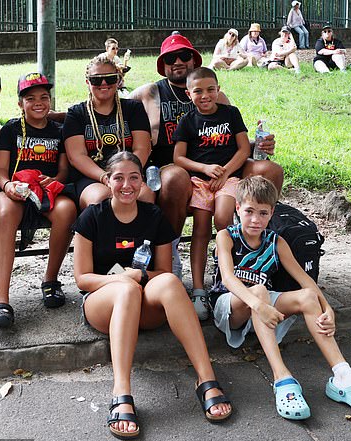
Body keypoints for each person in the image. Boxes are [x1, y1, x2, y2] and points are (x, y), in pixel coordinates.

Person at [73, 151, 232, 440]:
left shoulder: (153, 216)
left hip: (143, 300)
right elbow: (82, 279)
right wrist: (123, 278)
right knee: (125, 288)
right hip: (103, 303)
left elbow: (162, 270)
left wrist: (140, 276)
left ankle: (206, 378)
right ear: (107, 181)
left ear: (143, 182)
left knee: (171, 282)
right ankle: (121, 392)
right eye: (118, 178)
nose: (127, 185)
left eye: (134, 178)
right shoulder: (92, 216)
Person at [211, 176, 351, 420]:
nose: (255, 219)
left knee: (306, 297)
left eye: (263, 213)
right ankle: (281, 377)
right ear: (237, 208)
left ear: (272, 213)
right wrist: (257, 304)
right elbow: (229, 279)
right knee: (260, 291)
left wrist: (328, 308)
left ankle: (344, 377)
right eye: (249, 211)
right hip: (231, 307)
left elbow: (306, 281)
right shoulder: (226, 237)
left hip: (264, 312)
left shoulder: (276, 241)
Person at [129, 32, 282, 290]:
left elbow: (229, 139)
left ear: (196, 60)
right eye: (170, 57)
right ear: (161, 64)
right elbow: (106, 106)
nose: (177, 61)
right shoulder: (148, 94)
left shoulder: (220, 100)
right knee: (175, 177)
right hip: (177, 172)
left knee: (269, 170)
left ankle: (257, 250)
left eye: (184, 55)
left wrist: (259, 144)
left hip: (223, 170)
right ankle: (171, 251)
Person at [0, 73, 76, 328]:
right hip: (15, 189)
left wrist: (55, 180)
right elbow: (0, 170)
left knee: (67, 210)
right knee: (5, 212)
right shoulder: (11, 129)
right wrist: (7, 186)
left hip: (46, 189)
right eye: (30, 98)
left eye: (43, 97)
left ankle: (50, 281)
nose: (38, 103)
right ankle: (1, 299)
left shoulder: (58, 131)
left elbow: (63, 169)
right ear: (20, 104)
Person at [173, 67, 250, 321]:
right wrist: (205, 168)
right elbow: (179, 157)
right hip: (200, 182)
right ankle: (198, 289)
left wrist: (225, 173)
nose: (205, 95)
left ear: (218, 89)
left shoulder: (231, 113)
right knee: (201, 227)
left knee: (224, 218)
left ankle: (225, 276)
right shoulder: (188, 121)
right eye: (198, 91)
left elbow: (242, 149)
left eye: (210, 89)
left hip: (228, 179)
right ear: (188, 94)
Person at [63, 55, 152, 210]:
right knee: (100, 200)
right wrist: (105, 178)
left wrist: (124, 177)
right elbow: (76, 156)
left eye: (110, 78)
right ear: (87, 82)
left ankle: (140, 235)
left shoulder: (133, 109)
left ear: (118, 81)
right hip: (91, 177)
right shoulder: (76, 114)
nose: (104, 83)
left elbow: (142, 148)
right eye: (96, 80)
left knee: (144, 196)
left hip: (129, 174)